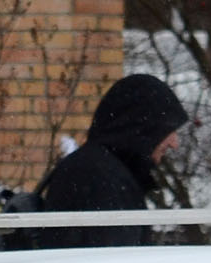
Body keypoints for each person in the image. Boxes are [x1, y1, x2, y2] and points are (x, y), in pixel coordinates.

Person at [32, 74, 188, 249]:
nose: (174, 143)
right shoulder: (98, 177)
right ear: (142, 128)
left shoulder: (105, 171)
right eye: (168, 129)